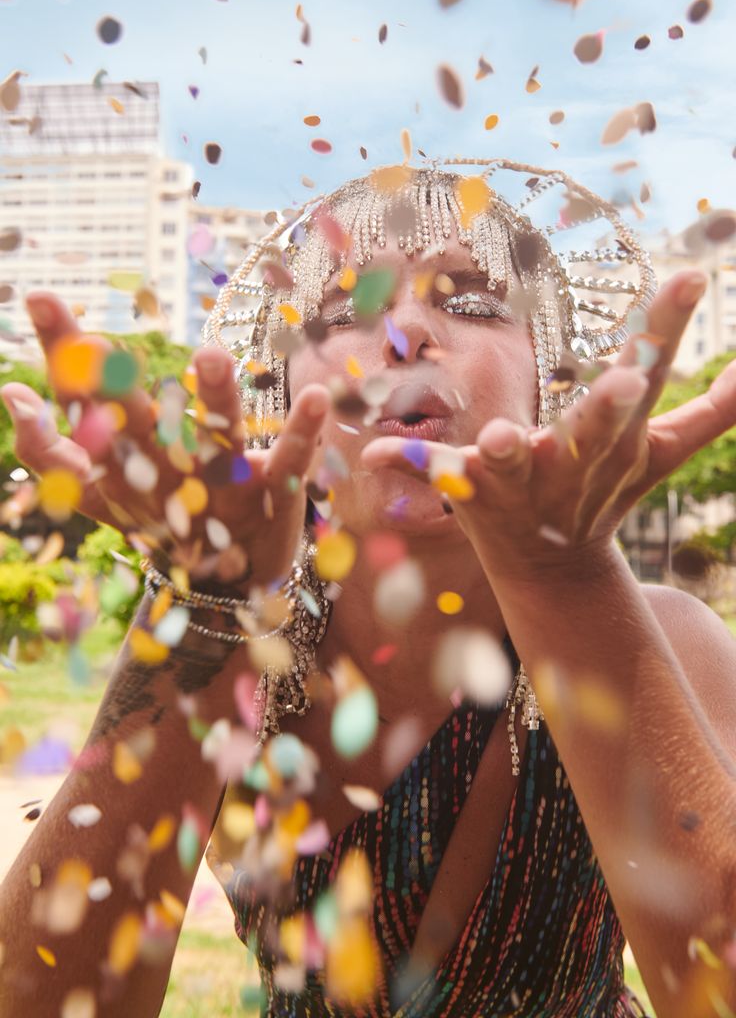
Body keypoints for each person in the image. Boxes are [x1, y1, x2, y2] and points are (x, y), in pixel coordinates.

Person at [0, 160, 735, 1018]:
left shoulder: (666, 639)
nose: (407, 333)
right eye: (346, 309)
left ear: (548, 387)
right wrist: (206, 606)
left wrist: (564, 572)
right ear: (279, 400)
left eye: (469, 300)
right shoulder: (244, 653)